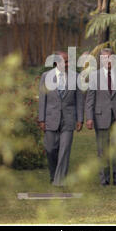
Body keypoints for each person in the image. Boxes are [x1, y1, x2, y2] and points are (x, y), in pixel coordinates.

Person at [85, 48, 116, 186]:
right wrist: (89, 117)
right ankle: (104, 178)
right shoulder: (94, 76)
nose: (108, 61)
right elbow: (90, 99)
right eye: (104, 59)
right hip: (101, 117)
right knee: (102, 149)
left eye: (110, 58)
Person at [38, 51, 84, 186]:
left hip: (69, 119)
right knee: (50, 149)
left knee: (64, 149)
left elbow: (79, 99)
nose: (68, 64)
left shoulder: (76, 77)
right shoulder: (46, 76)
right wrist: (42, 119)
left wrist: (80, 119)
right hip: (50, 118)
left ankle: (59, 181)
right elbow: (42, 100)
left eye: (69, 61)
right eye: (65, 61)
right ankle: (54, 175)